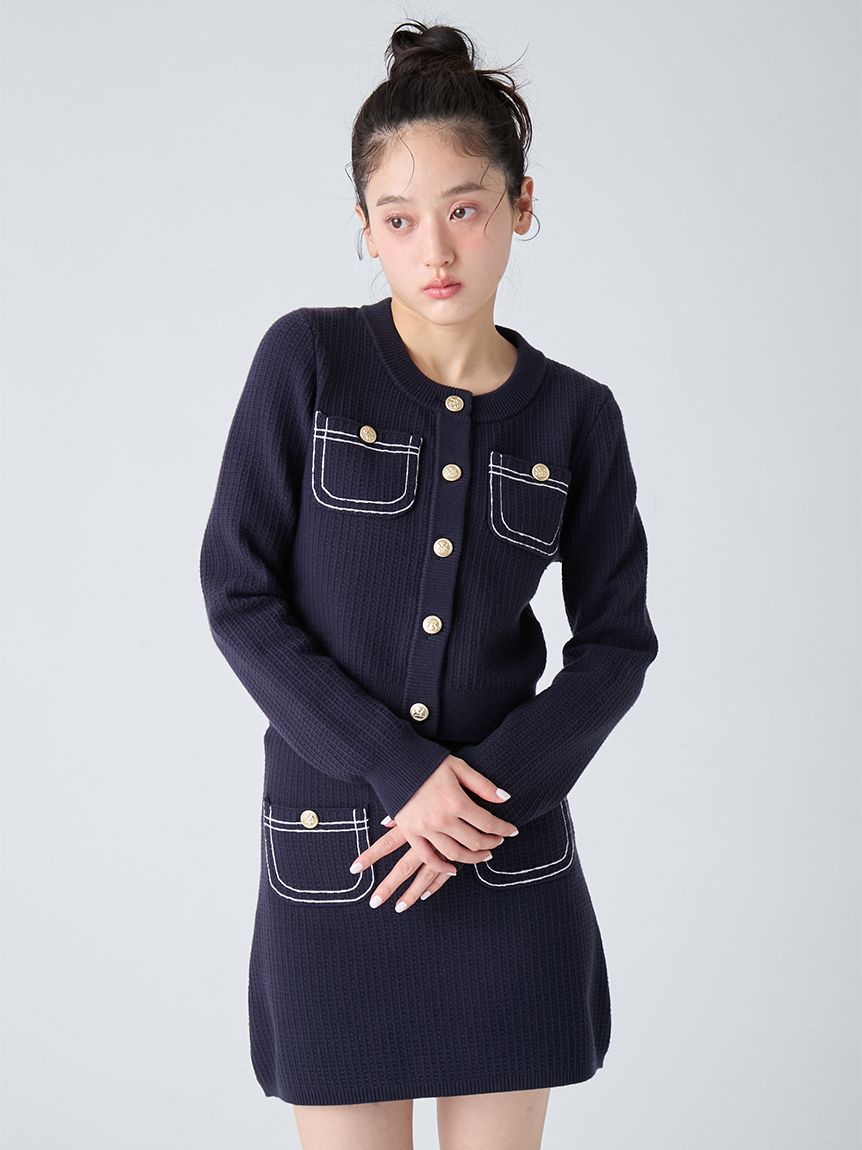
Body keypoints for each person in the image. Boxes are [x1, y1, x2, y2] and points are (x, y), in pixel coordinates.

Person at [199, 19, 659, 1150]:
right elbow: (238, 594)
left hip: (506, 869)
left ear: (520, 204)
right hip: (338, 866)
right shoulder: (307, 360)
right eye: (398, 220)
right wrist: (402, 772)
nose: (435, 248)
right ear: (365, 228)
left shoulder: (577, 415)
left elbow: (616, 645)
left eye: (465, 208)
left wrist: (485, 795)